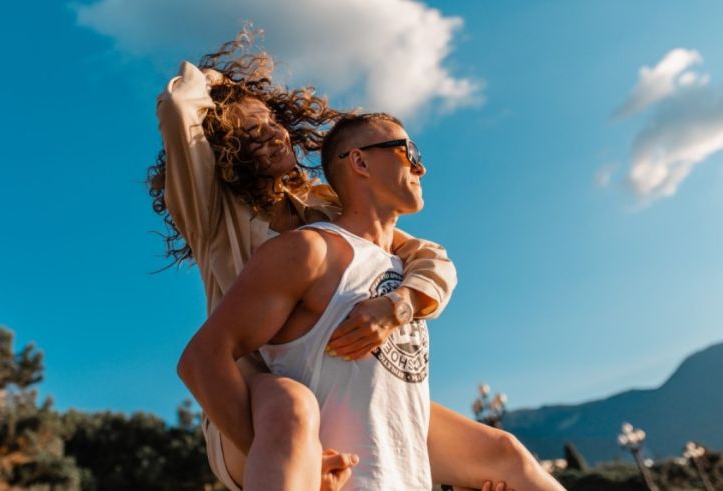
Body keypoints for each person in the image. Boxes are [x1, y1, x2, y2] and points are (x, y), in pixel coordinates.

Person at [152, 33, 563, 491]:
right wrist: (219, 83)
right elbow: (177, 108)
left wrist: (400, 305)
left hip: (345, 389)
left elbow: (431, 258)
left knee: (505, 455)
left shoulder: (325, 208)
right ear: (227, 149)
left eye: (270, 121)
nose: (271, 133)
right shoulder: (213, 212)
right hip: (250, 401)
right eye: (249, 132)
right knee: (291, 410)